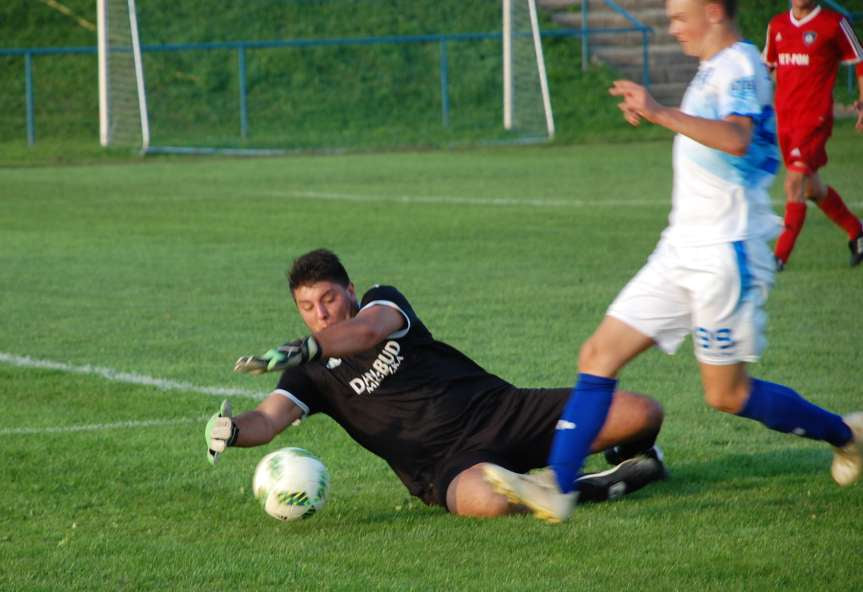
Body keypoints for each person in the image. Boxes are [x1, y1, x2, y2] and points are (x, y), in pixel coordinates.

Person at [482, 0, 863, 524]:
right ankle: (559, 487)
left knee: (727, 395)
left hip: (723, 253)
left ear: (712, 11)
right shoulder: (711, 70)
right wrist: (659, 113)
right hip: (680, 247)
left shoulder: (740, 64)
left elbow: (736, 136)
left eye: (679, 15)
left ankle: (848, 434)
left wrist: (660, 111)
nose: (671, 26)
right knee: (598, 353)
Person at [205, 248, 668, 518]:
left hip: (501, 409)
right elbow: (267, 420)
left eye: (328, 299)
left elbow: (365, 333)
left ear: (349, 290)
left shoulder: (381, 303)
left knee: (643, 413)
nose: (321, 314)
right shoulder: (308, 376)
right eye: (308, 307)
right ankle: (599, 483)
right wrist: (232, 431)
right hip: (444, 466)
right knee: (487, 502)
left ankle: (622, 453)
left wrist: (309, 344)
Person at [763, 0, 863, 270]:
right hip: (785, 122)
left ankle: (778, 258)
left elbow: (860, 59)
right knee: (811, 188)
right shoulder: (777, 25)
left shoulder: (834, 23)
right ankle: (857, 231)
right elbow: (766, 69)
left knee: (793, 183)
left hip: (814, 121)